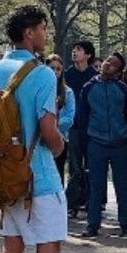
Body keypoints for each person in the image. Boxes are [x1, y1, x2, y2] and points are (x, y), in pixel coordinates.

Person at [0, 5, 91, 253]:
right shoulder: (42, 73)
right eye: (43, 28)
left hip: (3, 176)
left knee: (11, 249)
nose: (45, 35)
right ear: (30, 32)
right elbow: (48, 129)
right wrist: (61, 146)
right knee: (49, 250)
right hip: (39, 176)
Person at [75, 51, 127, 239]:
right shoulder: (89, 88)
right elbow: (82, 117)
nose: (108, 64)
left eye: (114, 64)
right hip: (96, 143)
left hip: (120, 143)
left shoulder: (123, 89)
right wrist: (86, 143)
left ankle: (126, 223)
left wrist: (126, 137)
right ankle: (92, 224)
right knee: (95, 186)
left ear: (119, 72)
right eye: (108, 60)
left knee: (123, 185)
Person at [63, 40, 97, 217]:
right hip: (73, 126)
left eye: (79, 50)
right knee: (75, 167)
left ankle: (92, 202)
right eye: (74, 49)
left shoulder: (95, 76)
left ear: (88, 55)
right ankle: (72, 204)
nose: (75, 52)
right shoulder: (67, 75)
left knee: (92, 167)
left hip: (91, 127)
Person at [46, 54, 77, 186]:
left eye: (58, 69)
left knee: (58, 175)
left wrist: (52, 125)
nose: (55, 72)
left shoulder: (68, 92)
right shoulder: (40, 90)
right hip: (41, 139)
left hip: (61, 138)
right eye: (52, 68)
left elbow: (69, 118)